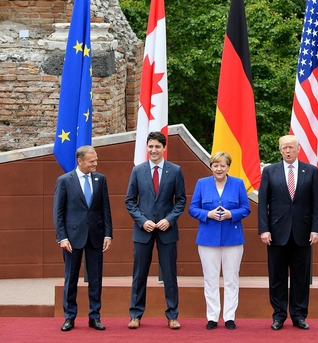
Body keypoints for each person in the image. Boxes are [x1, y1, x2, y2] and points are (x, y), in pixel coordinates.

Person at [258, 135, 318, 331]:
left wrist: (315, 229)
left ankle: (299, 315)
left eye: (291, 148)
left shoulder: (310, 171)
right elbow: (263, 203)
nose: (287, 151)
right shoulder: (270, 171)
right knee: (277, 276)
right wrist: (264, 229)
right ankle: (278, 315)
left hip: (302, 233)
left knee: (300, 277)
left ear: (298, 149)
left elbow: (316, 204)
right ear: (280, 150)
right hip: (276, 233)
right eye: (284, 148)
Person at [125, 131, 186, 330]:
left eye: (157, 146)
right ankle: (135, 315)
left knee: (169, 275)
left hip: (167, 231)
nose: (153, 150)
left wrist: (169, 220)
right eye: (150, 146)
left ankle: (172, 316)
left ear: (164, 148)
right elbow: (130, 201)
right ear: (147, 147)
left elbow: (181, 201)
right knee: (139, 274)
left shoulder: (175, 171)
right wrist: (142, 221)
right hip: (143, 231)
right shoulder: (138, 170)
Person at [189, 151, 251, 330]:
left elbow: (246, 209)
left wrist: (232, 214)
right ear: (211, 167)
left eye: (222, 165)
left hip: (233, 238)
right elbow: (193, 208)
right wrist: (207, 214)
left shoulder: (238, 183)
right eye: (215, 165)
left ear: (228, 167)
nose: (219, 169)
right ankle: (212, 317)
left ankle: (229, 316)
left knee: (232, 279)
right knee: (211, 279)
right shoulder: (202, 183)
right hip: (208, 238)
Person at [53, 145, 112, 332]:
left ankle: (95, 316)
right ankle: (69, 316)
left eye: (96, 160)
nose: (96, 163)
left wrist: (108, 234)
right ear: (80, 161)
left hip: (96, 236)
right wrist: (62, 237)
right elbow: (58, 212)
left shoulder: (100, 179)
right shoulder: (64, 181)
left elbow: (105, 209)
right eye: (91, 161)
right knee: (71, 278)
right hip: (72, 238)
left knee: (95, 278)